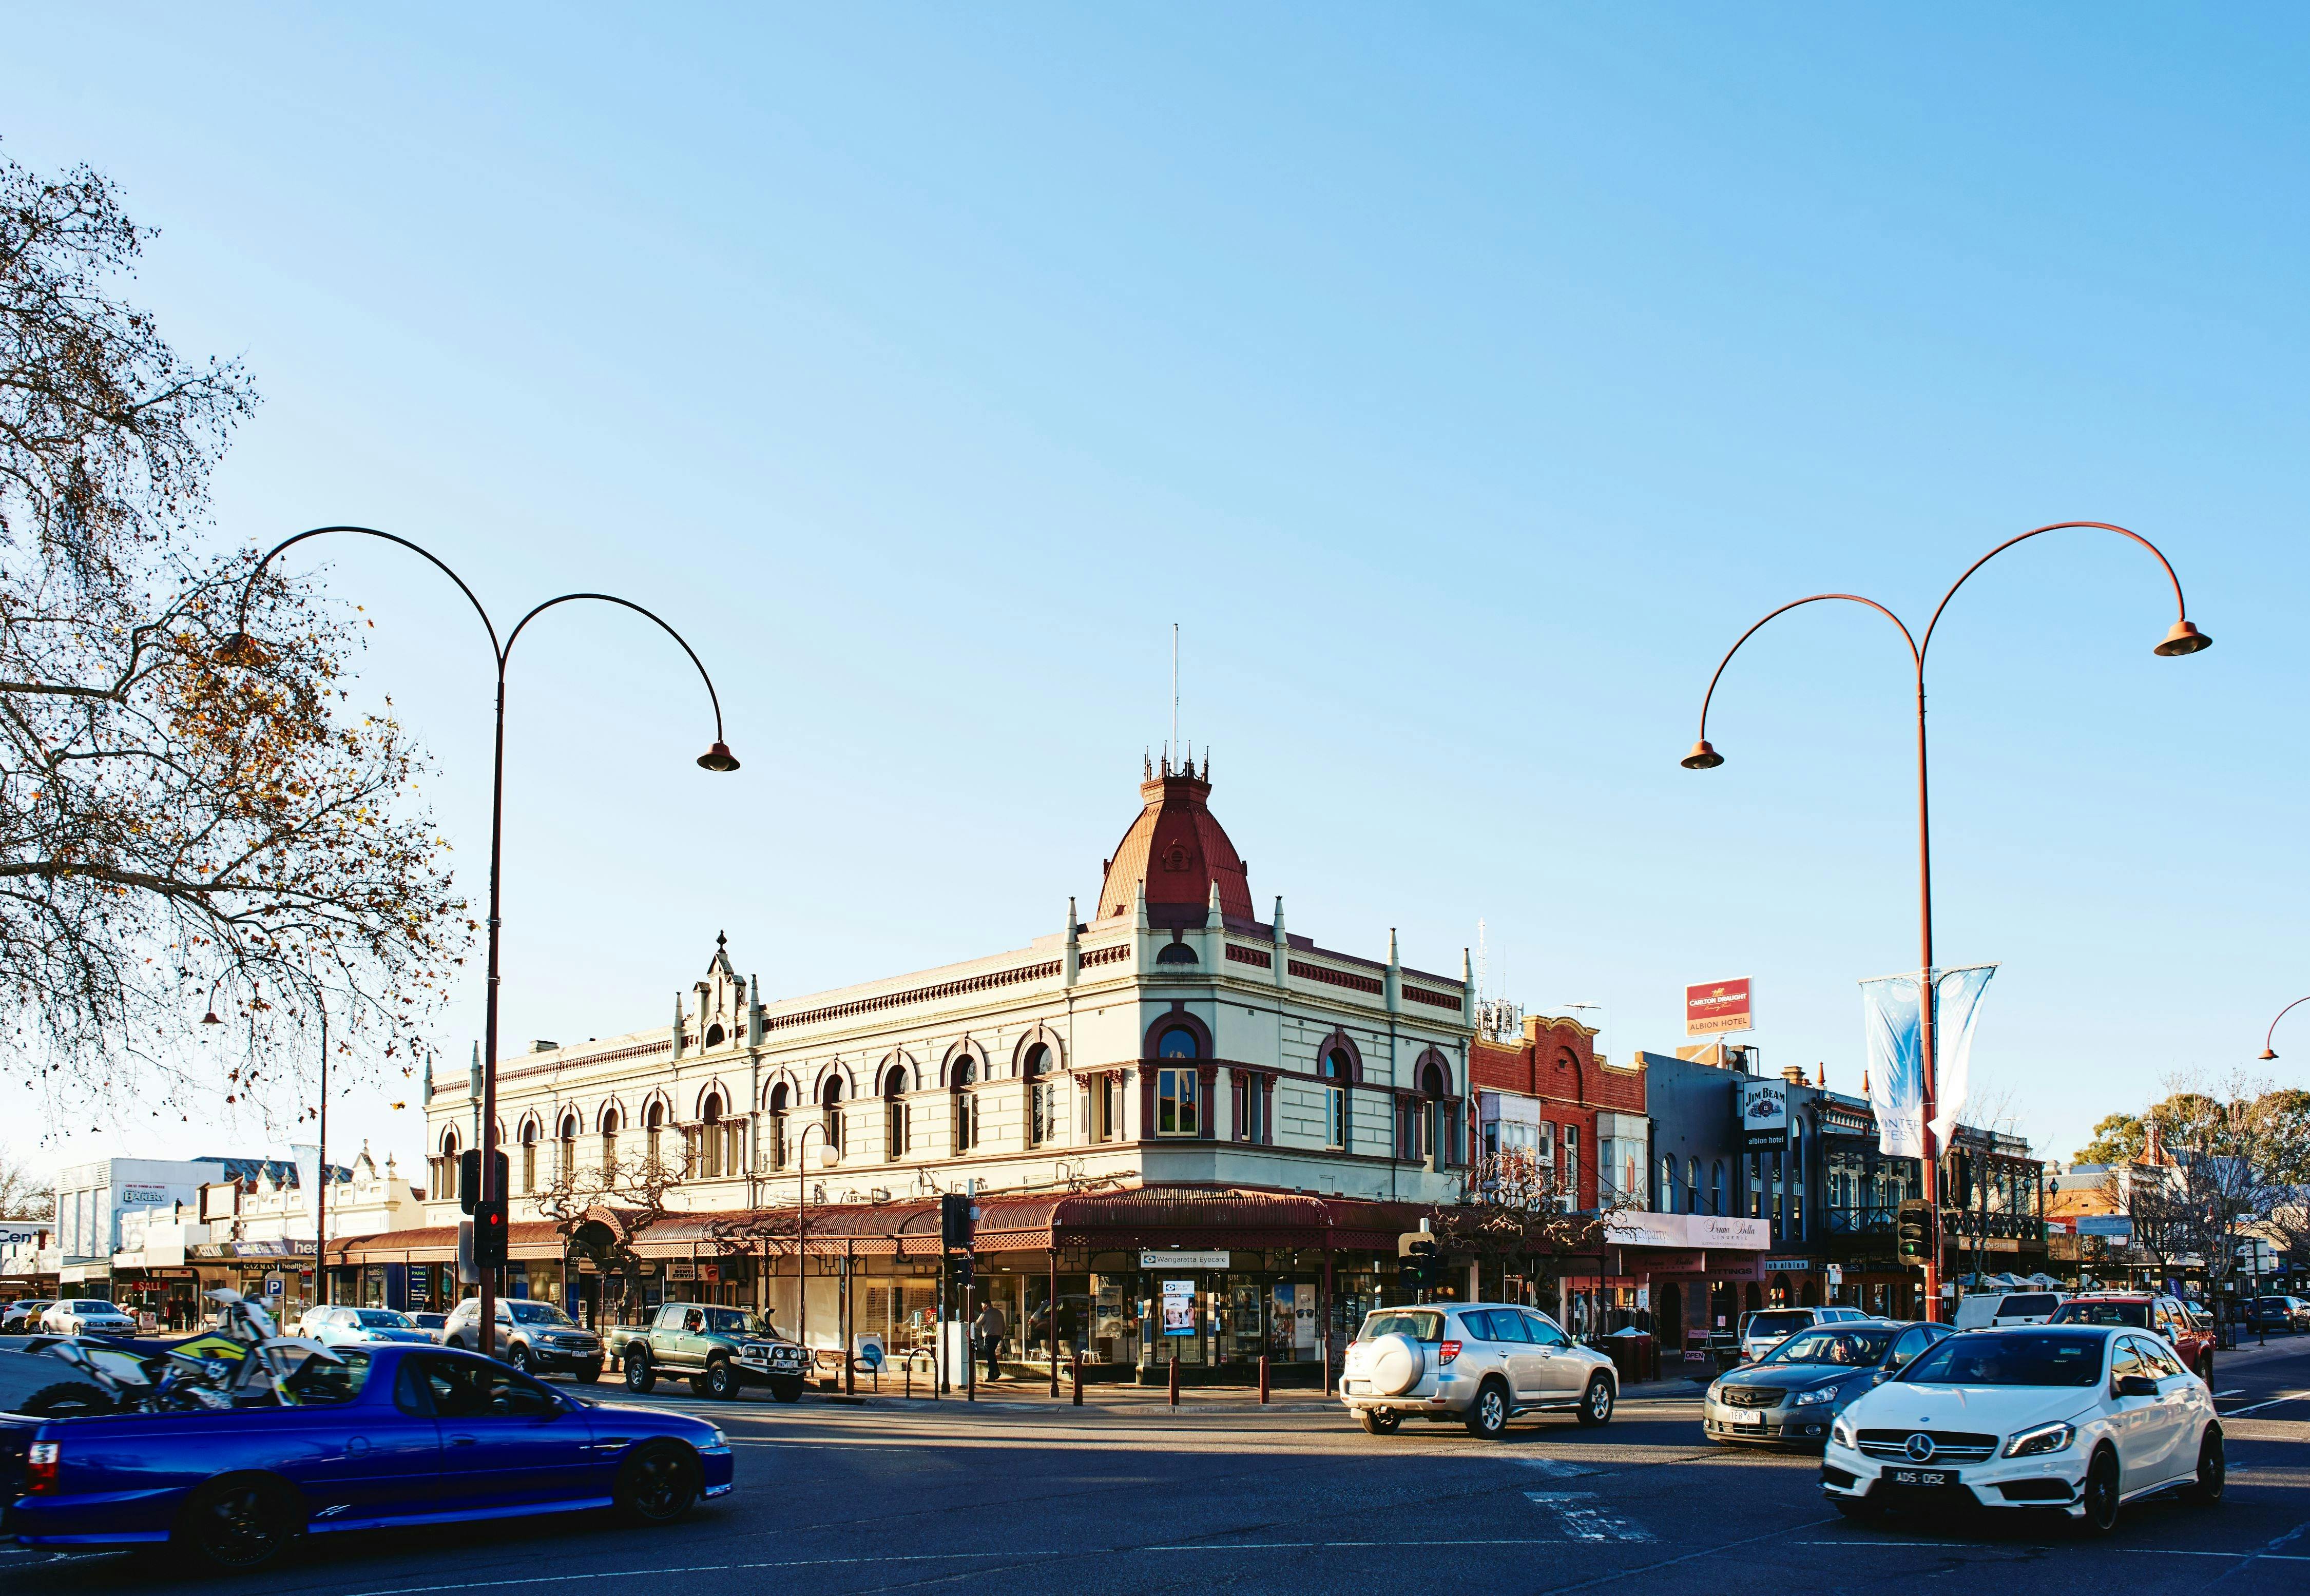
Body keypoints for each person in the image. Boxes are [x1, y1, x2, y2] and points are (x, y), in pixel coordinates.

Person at [975, 1300, 1007, 1381]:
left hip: (989, 1337)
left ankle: (991, 1376)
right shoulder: (999, 1313)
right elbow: (1004, 1327)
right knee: (992, 1355)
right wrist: (1001, 1337)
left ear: (986, 1305)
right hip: (997, 1337)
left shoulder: (985, 1314)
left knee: (990, 1356)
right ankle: (996, 1371)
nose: (982, 1308)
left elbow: (977, 1324)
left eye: (983, 1306)